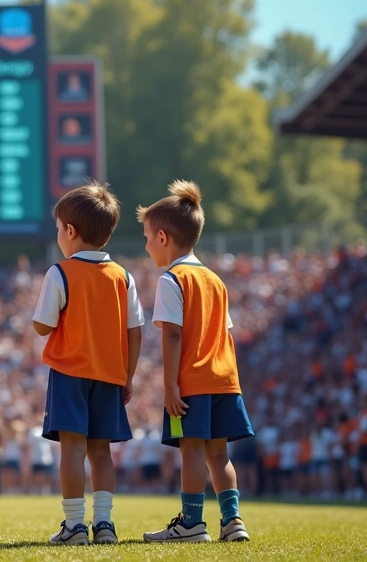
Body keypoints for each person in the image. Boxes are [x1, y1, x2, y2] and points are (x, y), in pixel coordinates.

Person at [139, 181, 253, 544]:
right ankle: (232, 521)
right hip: (224, 379)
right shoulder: (215, 280)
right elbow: (227, 334)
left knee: (191, 450)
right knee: (218, 454)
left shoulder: (172, 279)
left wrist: (170, 385)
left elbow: (172, 335)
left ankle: (190, 523)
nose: (144, 245)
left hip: (191, 382)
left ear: (162, 237)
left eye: (145, 237)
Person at [33, 181, 144, 545]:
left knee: (73, 448)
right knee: (101, 451)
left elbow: (42, 324)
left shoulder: (60, 272)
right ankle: (105, 524)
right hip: (110, 375)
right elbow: (134, 331)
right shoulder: (123, 277)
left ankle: (74, 525)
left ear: (70, 231)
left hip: (69, 373)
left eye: (58, 229)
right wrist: (127, 375)